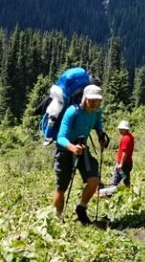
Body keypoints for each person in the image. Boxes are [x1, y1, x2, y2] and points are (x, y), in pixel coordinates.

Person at [53, 84, 109, 224]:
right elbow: (60, 137)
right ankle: (58, 218)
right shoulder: (72, 112)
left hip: (82, 148)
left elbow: (98, 124)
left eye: (97, 101)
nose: (94, 104)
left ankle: (81, 209)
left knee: (94, 180)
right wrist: (72, 147)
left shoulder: (96, 112)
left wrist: (101, 136)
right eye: (92, 100)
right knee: (61, 188)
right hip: (65, 151)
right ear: (84, 98)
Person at [111, 120, 134, 187]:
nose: (120, 131)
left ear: (126, 129)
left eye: (122, 129)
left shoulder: (126, 138)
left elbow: (125, 152)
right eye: (120, 129)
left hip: (123, 165)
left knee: (114, 181)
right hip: (128, 164)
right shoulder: (130, 136)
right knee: (126, 179)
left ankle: (109, 195)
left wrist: (121, 164)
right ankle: (129, 193)